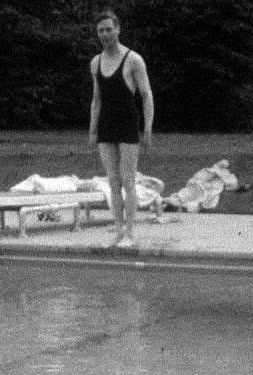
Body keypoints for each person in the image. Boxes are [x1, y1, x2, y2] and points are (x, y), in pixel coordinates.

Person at [89, 10, 154, 248]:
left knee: (128, 180)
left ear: (118, 29)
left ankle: (130, 232)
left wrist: (147, 129)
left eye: (109, 29)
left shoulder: (133, 60)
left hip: (128, 124)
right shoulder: (95, 62)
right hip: (106, 124)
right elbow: (96, 99)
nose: (105, 34)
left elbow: (147, 96)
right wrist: (92, 129)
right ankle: (118, 229)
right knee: (113, 181)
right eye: (100, 30)